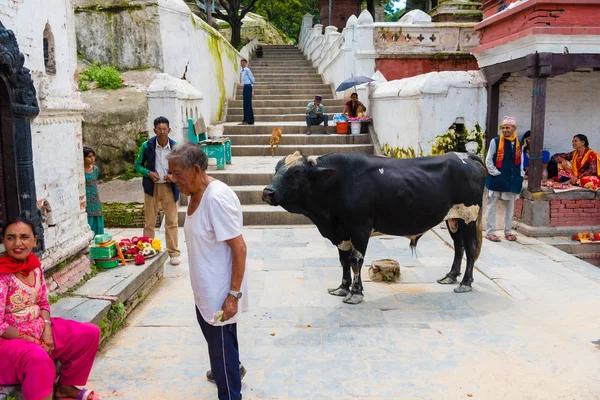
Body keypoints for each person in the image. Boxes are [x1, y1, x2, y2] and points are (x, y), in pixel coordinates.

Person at [167, 143, 249, 400]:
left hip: (219, 296)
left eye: (177, 174)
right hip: (205, 293)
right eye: (171, 173)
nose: (173, 179)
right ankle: (230, 367)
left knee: (222, 355)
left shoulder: (216, 198)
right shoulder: (194, 192)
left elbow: (239, 248)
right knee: (222, 351)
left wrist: (233, 296)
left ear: (195, 169)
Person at [0, 218, 101, 400]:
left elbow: (43, 304)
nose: (18, 243)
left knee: (89, 333)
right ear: (3, 241)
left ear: (35, 240)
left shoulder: (34, 266)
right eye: (10, 237)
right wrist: (33, 341)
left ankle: (65, 388)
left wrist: (46, 330)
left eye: (24, 237)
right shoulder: (2, 274)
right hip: (8, 342)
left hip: (39, 329)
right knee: (39, 358)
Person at [134, 116, 181, 266]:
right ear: (154, 130)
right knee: (149, 221)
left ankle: (173, 253)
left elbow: (182, 168)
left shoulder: (175, 147)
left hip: (169, 188)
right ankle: (147, 250)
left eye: (164, 129)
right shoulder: (147, 146)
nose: (162, 132)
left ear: (169, 130)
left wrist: (173, 176)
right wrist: (148, 173)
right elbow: (137, 165)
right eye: (159, 129)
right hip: (151, 188)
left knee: (172, 221)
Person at [485, 116, 524, 242]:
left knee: (510, 206)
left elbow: (521, 162)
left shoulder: (519, 144)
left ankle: (508, 231)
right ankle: (490, 232)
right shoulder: (495, 141)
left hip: (513, 178)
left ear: (514, 128)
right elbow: (489, 160)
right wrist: (496, 173)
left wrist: (521, 174)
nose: (505, 130)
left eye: (508, 127)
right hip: (497, 178)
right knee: (491, 205)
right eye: (503, 127)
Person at [83, 146, 104, 236]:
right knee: (89, 219)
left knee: (97, 217)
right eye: (89, 157)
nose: (92, 159)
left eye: (93, 156)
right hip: (86, 199)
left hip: (95, 198)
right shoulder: (81, 171)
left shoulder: (95, 169)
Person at [238, 59, 255, 126]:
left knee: (247, 104)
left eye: (244, 62)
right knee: (247, 104)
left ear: (246, 63)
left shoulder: (247, 70)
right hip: (245, 87)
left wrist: (251, 89)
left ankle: (246, 120)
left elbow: (252, 80)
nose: (242, 64)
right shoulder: (242, 71)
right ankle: (251, 120)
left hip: (248, 87)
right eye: (241, 62)